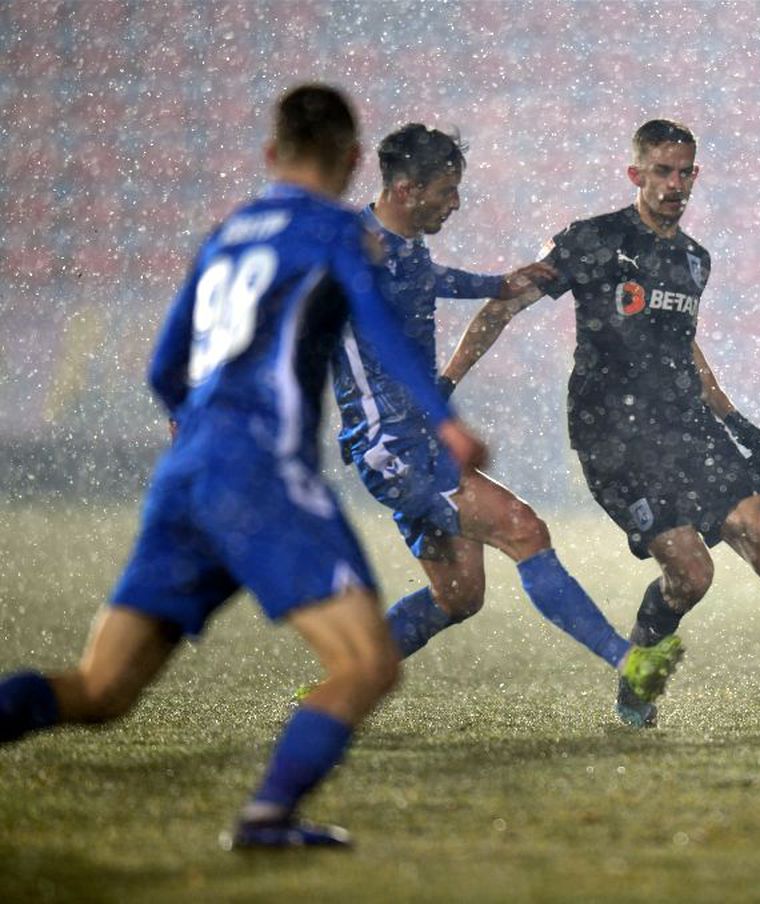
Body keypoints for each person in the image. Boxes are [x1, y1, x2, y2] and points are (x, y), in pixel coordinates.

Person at [0, 84, 490, 849]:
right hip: (259, 471)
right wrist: (448, 421)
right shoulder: (336, 229)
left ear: (271, 156)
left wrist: (197, 438)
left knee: (101, 689)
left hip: (188, 471)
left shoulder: (226, 235)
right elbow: (381, 330)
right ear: (355, 161)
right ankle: (268, 817)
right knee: (366, 665)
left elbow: (166, 368)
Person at [442, 119, 760, 730]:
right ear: (636, 174)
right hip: (614, 434)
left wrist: (734, 416)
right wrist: (443, 386)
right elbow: (505, 305)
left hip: (684, 421)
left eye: (686, 172)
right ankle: (636, 686)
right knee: (692, 574)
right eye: (663, 171)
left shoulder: (693, 260)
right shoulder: (594, 240)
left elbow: (684, 347)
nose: (675, 184)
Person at [327, 124, 683, 705]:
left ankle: (340, 689)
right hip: (391, 443)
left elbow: (426, 280)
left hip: (418, 438)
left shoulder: (404, 246)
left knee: (459, 595)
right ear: (409, 188)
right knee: (523, 528)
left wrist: (497, 282)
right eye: (447, 191)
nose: (456, 202)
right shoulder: (350, 256)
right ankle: (629, 660)